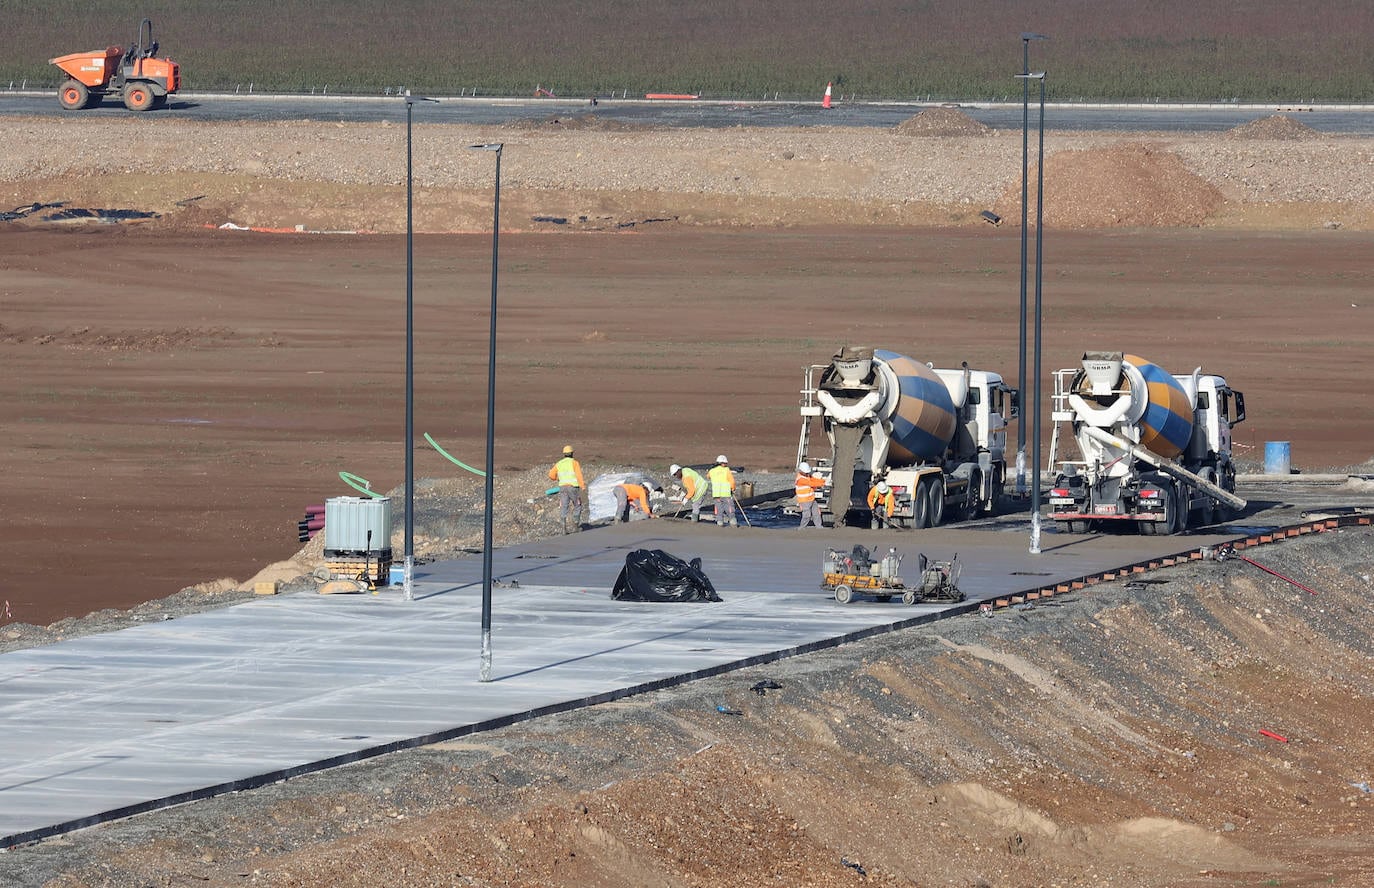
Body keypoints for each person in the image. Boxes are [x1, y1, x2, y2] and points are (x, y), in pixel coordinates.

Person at [547, 445, 586, 534]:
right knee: (577, 505)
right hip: (573, 487)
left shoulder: (559, 463)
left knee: (564, 506)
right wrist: (582, 486)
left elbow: (551, 475)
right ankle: (576, 527)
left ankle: (564, 529)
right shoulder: (574, 462)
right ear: (572, 453)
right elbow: (579, 475)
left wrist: (557, 478)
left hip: (562, 487)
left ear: (564, 454)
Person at [708, 455, 738, 527]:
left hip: (716, 494)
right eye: (725, 463)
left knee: (719, 509)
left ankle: (720, 523)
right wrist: (733, 489)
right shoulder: (726, 470)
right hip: (726, 493)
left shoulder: (712, 471)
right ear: (723, 463)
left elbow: (708, 476)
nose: (726, 465)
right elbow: (732, 481)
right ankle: (733, 522)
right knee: (729, 507)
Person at [795, 461, 826, 528]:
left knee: (816, 513)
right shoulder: (800, 479)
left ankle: (819, 527)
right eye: (805, 472)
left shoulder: (807, 476)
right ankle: (801, 528)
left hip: (811, 499)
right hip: (804, 501)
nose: (807, 473)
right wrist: (823, 484)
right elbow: (811, 483)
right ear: (801, 471)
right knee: (807, 515)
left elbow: (814, 480)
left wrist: (823, 481)